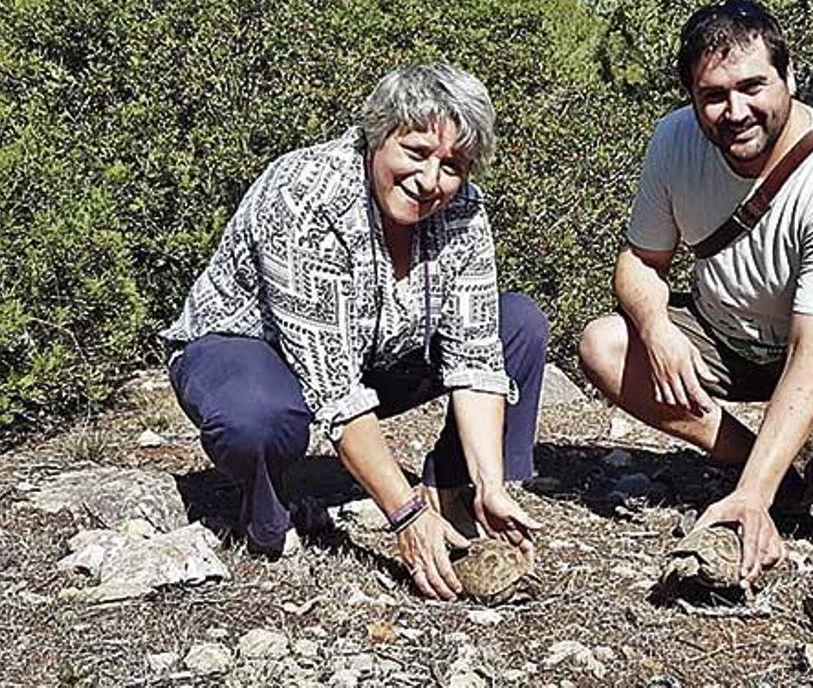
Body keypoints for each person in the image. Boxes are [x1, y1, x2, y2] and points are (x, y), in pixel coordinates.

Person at [162, 63, 545, 601]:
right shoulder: (306, 195)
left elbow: (477, 352)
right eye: (415, 153)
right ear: (377, 135)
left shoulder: (463, 210)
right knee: (258, 416)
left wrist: (491, 482)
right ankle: (265, 512)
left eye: (453, 165)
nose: (431, 181)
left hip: (372, 353)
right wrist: (403, 515)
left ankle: (455, 489)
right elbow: (335, 389)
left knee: (517, 324)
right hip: (247, 350)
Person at [578, 0, 813, 585]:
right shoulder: (674, 141)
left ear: (788, 77)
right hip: (729, 324)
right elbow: (640, 262)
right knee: (604, 344)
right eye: (713, 95)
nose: (735, 110)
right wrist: (658, 330)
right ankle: (765, 468)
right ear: (691, 97)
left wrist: (749, 500)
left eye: (753, 86)